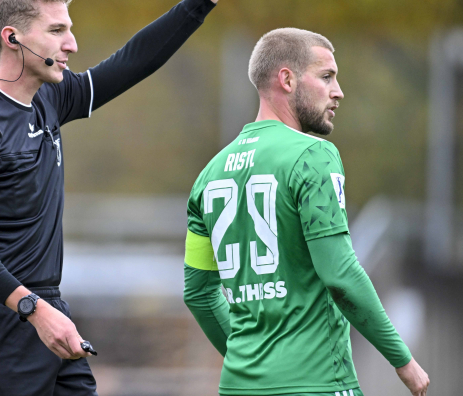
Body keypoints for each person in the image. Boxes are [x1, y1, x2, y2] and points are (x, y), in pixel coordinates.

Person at [0, 0, 261, 395]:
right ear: (13, 38)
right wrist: (31, 309)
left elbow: (135, 59)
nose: (73, 43)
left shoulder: (52, 98)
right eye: (57, 31)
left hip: (48, 314)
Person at [183, 28, 431, 396]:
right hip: (315, 384)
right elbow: (341, 274)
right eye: (327, 76)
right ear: (287, 79)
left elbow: (199, 294)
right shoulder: (314, 155)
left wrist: (250, 362)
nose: (338, 91)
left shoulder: (208, 175)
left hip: (239, 386)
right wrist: (403, 361)